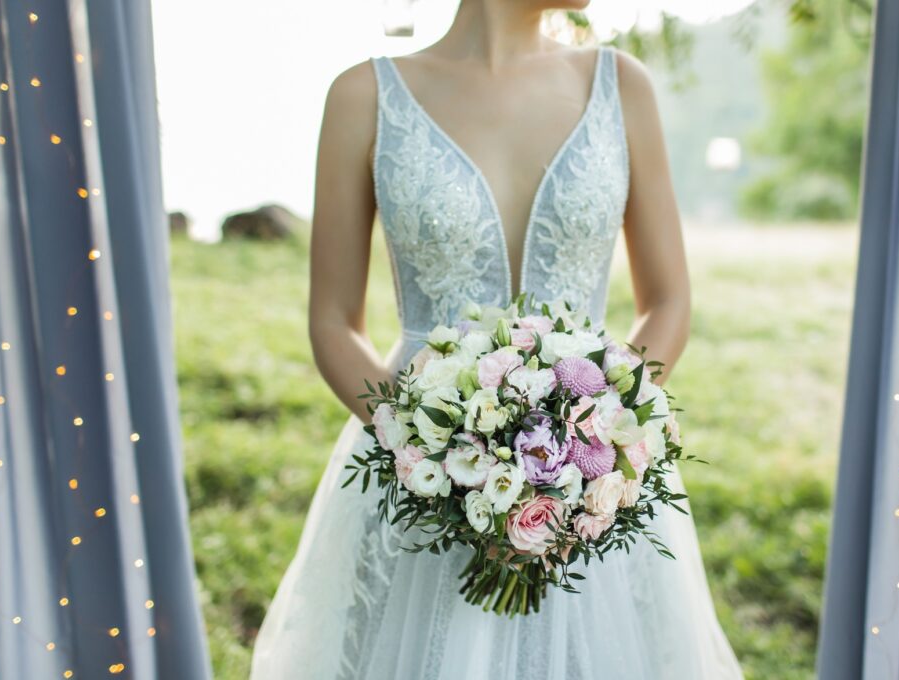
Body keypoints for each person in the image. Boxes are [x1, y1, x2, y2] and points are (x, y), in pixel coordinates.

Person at [249, 1, 745, 677]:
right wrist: (432, 453)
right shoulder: (364, 97)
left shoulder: (621, 84)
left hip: (592, 486)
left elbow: (669, 301)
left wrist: (594, 442)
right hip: (414, 476)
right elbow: (334, 322)